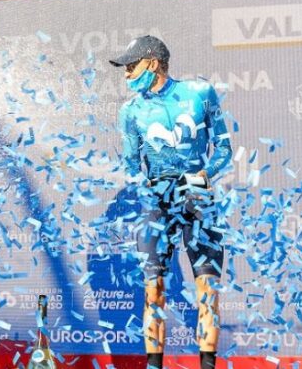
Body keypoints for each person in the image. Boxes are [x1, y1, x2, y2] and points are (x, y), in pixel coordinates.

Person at [110, 35, 232, 369]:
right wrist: (146, 186)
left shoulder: (200, 93)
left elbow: (223, 148)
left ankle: (207, 365)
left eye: (131, 66)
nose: (126, 74)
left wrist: (204, 176)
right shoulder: (130, 111)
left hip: (198, 195)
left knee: (207, 287)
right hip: (157, 201)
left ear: (152, 63)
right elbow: (130, 165)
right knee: (153, 290)